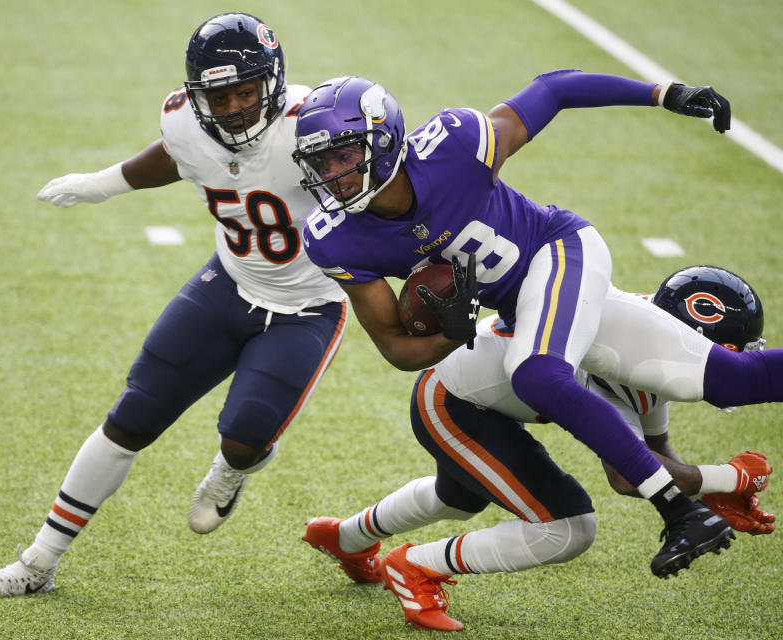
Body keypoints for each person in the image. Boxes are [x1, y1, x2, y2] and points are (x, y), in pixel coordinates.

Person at [292, 74, 783, 583]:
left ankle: (681, 514)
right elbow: (395, 346)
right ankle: (685, 511)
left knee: (537, 375)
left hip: (560, 248)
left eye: (344, 155)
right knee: (733, 378)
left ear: (385, 138)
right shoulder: (338, 238)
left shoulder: (453, 146)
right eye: (320, 162)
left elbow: (554, 90)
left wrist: (663, 93)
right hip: (522, 312)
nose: (334, 174)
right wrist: (450, 334)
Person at [0, 13, 348, 598]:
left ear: (273, 81)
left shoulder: (318, 122)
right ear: (198, 96)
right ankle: (38, 562)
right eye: (220, 95)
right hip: (228, 283)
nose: (236, 107)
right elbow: (174, 157)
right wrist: (102, 182)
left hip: (309, 304)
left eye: (247, 91)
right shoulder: (186, 123)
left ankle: (230, 471)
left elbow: (385, 193)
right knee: (131, 417)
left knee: (244, 439)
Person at [302, 266, 774, 631]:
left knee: (460, 496)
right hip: (452, 402)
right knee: (568, 527)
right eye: (725, 353)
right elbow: (631, 475)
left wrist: (709, 490)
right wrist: (728, 477)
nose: (722, 366)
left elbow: (656, 451)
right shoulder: (631, 360)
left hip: (471, 396)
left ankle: (344, 537)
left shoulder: (648, 338)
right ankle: (414, 567)